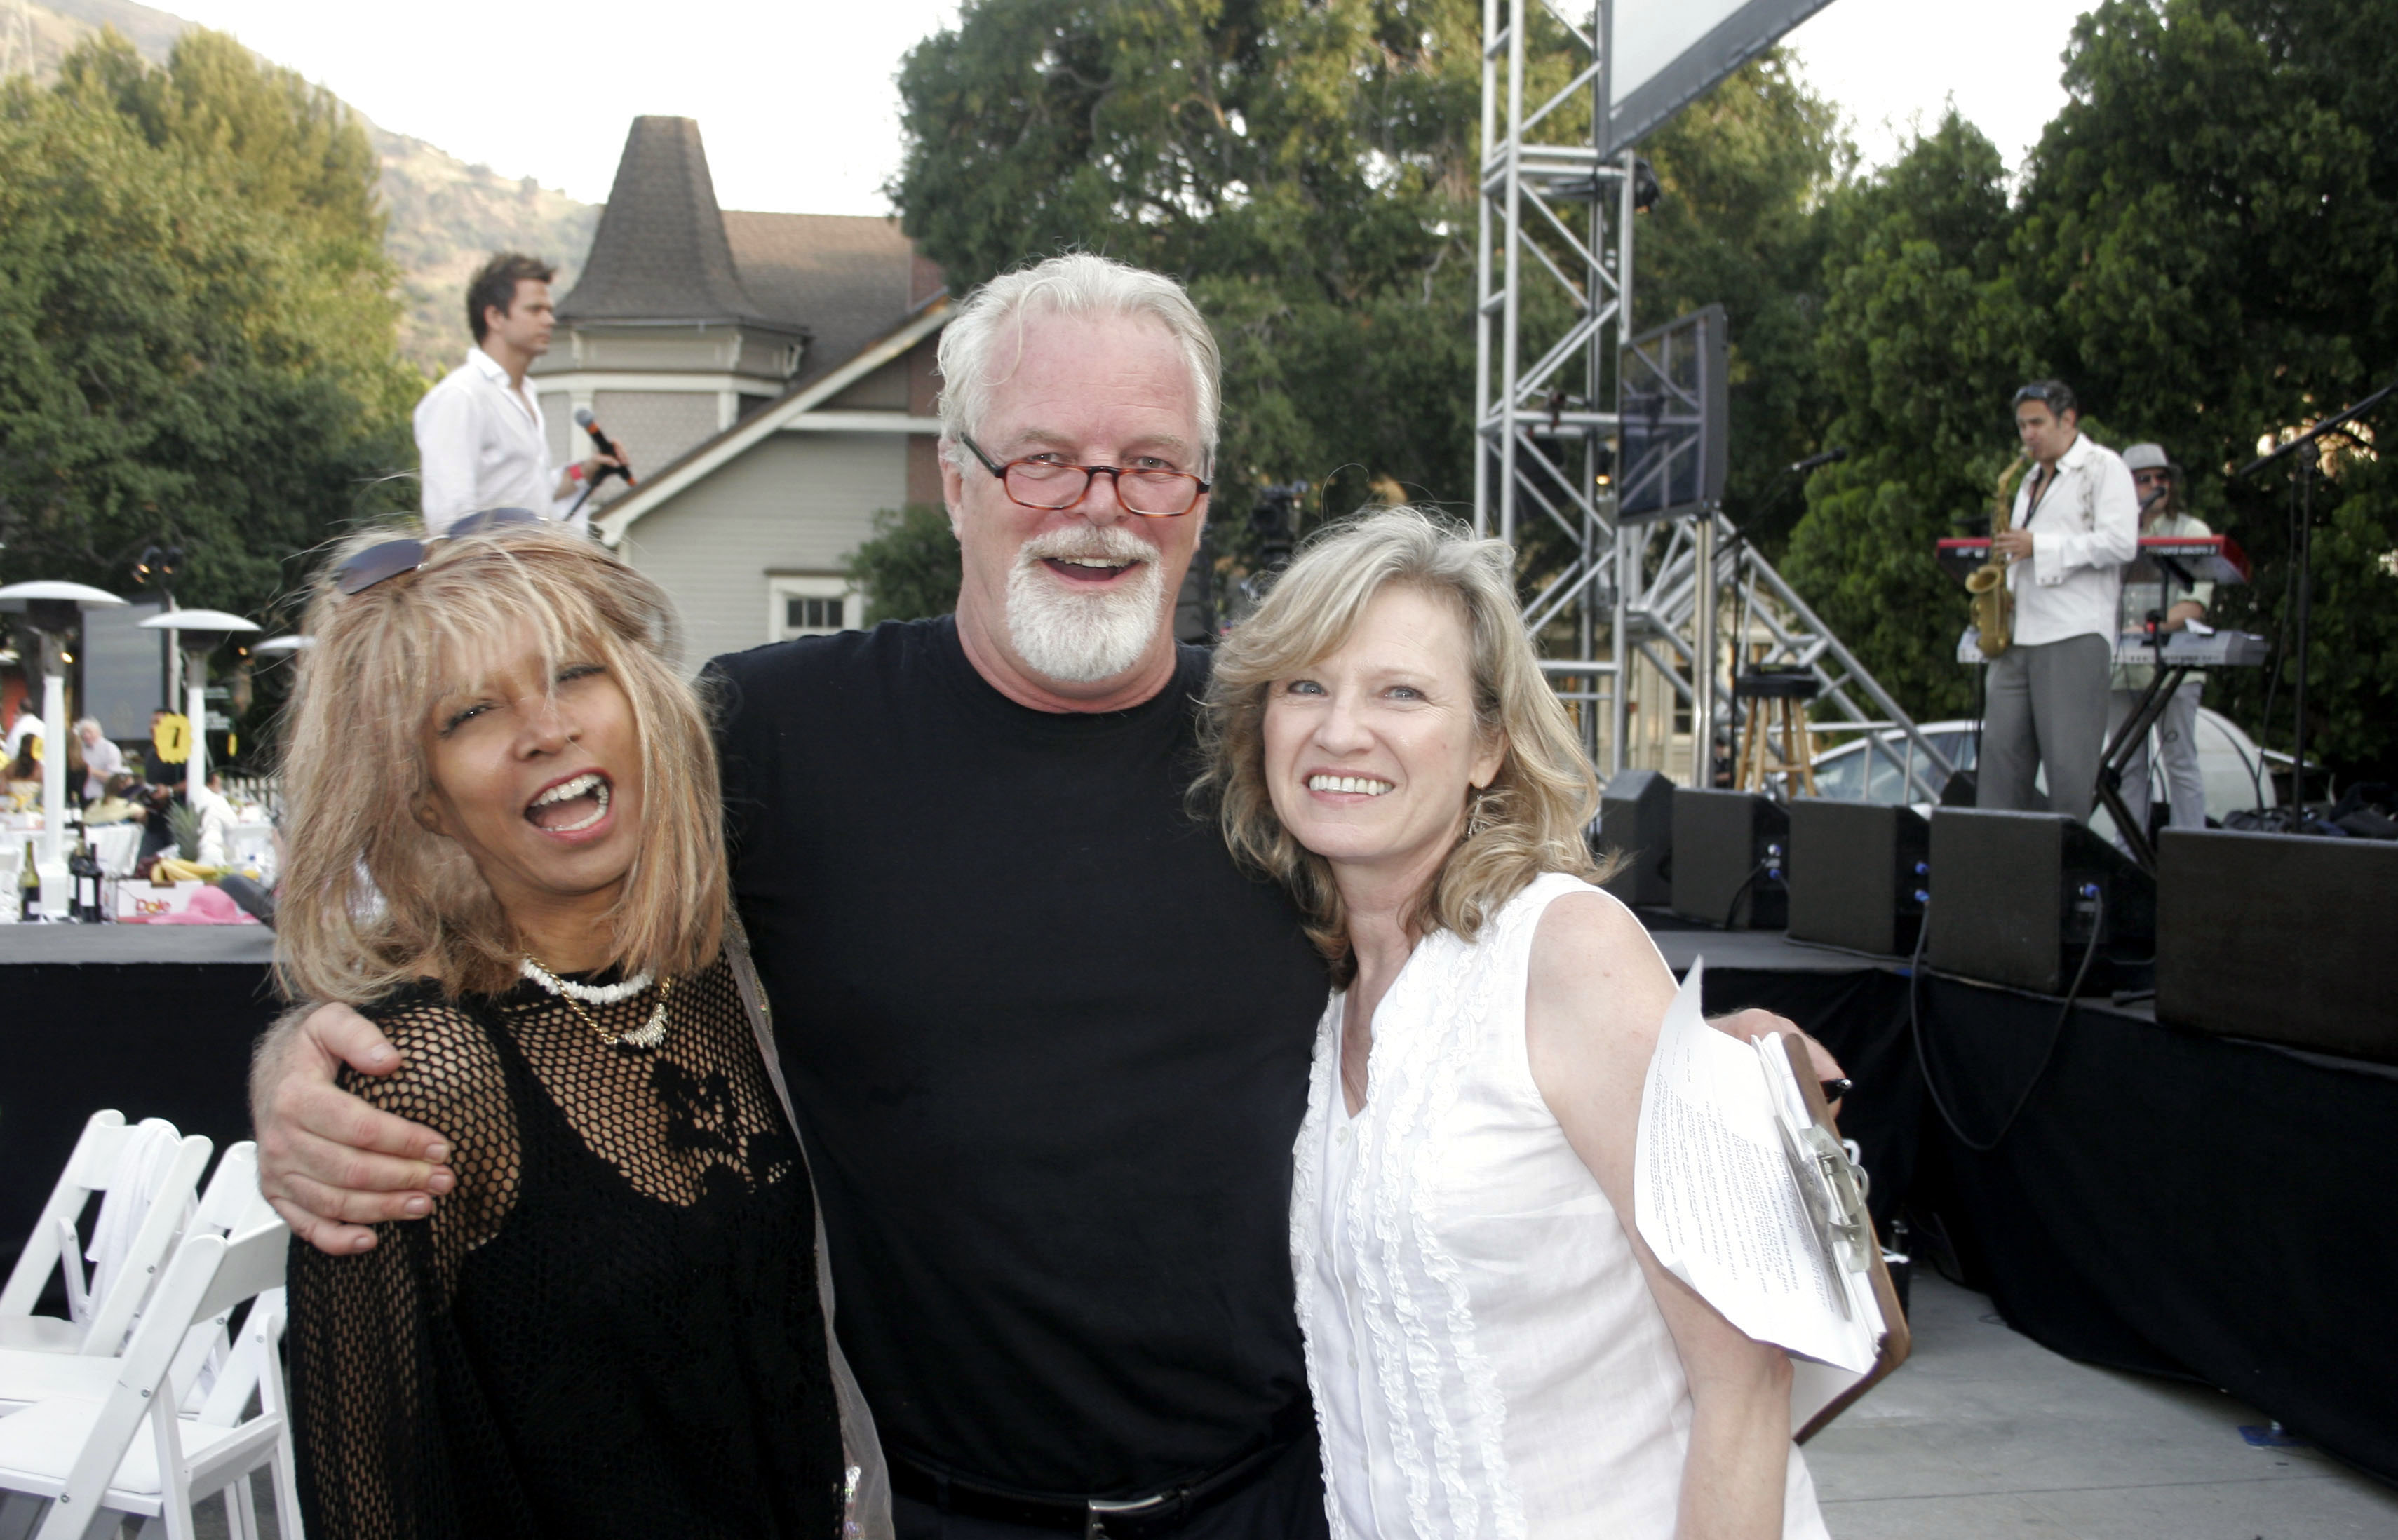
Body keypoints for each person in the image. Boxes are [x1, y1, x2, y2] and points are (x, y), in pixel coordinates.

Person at [252, 254, 1835, 1540]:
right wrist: (291, 1064)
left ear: (1200, 501)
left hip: (1283, 1501)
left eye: (1149, 465)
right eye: (1043, 458)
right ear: (954, 482)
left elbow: (1504, 952)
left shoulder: (1289, 749)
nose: (1098, 501)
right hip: (943, 1517)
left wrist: (1696, 1067)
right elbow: (497, 870)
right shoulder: (776, 732)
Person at [1199, 508, 1825, 1538]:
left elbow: (1747, 1373)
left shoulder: (1564, 953)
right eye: (1304, 685)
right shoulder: (1325, 999)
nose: (1338, 729)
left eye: (1400, 692)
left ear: (1487, 745)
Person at [274, 518, 880, 1538]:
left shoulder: (722, 984)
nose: (543, 729)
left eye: (572, 675)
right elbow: (362, 1495)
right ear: (423, 801)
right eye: (469, 713)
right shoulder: (422, 1073)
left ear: (643, 705)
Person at [1980, 379, 2138, 822]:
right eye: (2022, 425)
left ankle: (2066, 877)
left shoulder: (2103, 467)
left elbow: (2121, 544)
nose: (2028, 435)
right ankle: (1997, 872)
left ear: (2068, 420)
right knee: (1999, 766)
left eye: (2037, 423)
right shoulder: (2029, 479)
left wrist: (2042, 547)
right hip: (2020, 633)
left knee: (2069, 773)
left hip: (2073, 630)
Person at [413, 252, 620, 536]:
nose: (550, 320)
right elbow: (448, 517)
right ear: (495, 317)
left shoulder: (525, 393)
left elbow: (531, 492)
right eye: (535, 310)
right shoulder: (461, 396)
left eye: (549, 309)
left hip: (528, 571)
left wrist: (584, 471)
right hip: (487, 575)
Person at [2108, 443, 2214, 838]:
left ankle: (2192, 851)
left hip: (2173, 671)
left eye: (2163, 477)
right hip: (2119, 670)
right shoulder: (2113, 535)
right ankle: (2128, 855)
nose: (2157, 485)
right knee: (2127, 768)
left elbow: (2195, 605)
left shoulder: (2190, 531)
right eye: (2145, 479)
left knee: (2180, 763)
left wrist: (2151, 630)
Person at [74, 717, 124, 804]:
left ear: (98, 732)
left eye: (89, 732)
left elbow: (114, 778)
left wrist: (91, 771)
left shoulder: (109, 749)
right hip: (83, 797)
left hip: (102, 797)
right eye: (83, 733)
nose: (86, 735)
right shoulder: (81, 749)